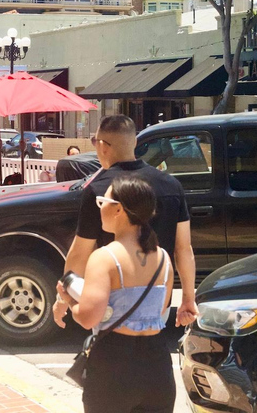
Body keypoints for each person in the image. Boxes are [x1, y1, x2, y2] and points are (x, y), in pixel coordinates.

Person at [54, 115, 198, 345]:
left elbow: (80, 252)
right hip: (157, 298)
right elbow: (184, 248)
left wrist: (64, 297)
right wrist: (189, 298)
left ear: (102, 146)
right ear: (134, 143)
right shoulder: (171, 184)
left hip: (110, 302)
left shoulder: (101, 189)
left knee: (110, 360)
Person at [57, 177, 174, 413]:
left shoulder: (105, 257)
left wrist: (69, 300)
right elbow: (161, 310)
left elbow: (89, 317)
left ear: (118, 209)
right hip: (158, 364)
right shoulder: (163, 257)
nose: (99, 208)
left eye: (102, 202)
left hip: (115, 364)